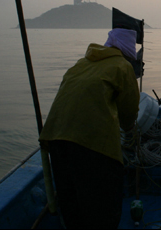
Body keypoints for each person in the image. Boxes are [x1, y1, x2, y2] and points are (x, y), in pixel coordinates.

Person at [39, 28, 140, 229]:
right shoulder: (122, 66)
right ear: (128, 54)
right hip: (91, 144)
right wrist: (130, 135)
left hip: (55, 140)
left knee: (71, 203)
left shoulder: (81, 63)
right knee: (103, 208)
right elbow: (128, 113)